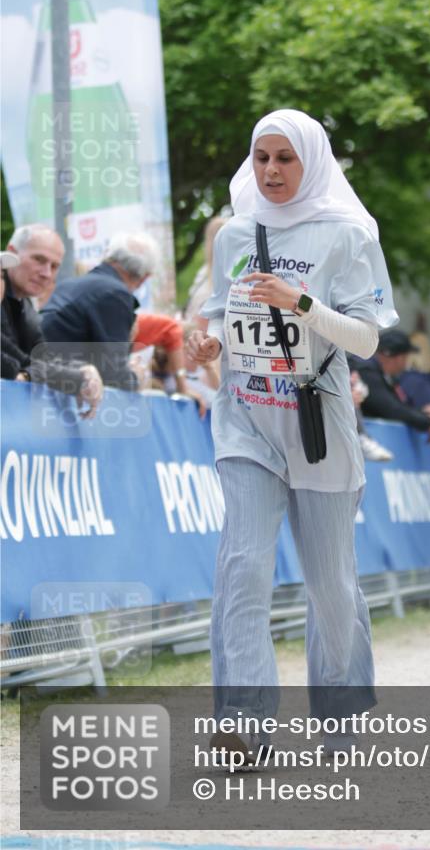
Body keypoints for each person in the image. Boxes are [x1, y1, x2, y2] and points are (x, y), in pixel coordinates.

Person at [186, 109, 398, 762]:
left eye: (286, 158)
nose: (271, 171)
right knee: (243, 565)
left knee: (330, 583)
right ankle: (244, 723)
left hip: (318, 422)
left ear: (311, 160)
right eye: (262, 158)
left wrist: (300, 303)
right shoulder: (233, 234)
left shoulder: (348, 232)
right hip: (247, 418)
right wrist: (206, 340)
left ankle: (339, 721)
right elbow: (222, 316)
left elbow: (366, 339)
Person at [1, 226, 102, 414]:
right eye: (39, 259)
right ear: (12, 252)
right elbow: (14, 363)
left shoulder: (25, 306)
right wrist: (76, 377)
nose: (46, 273)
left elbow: (42, 358)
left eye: (54, 266)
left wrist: (84, 370)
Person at [41, 231, 159, 390]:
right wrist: (136, 376)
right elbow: (113, 376)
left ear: (108, 256)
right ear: (144, 277)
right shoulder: (115, 294)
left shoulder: (68, 285)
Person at [351, 329, 430, 441]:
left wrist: (423, 414)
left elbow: (398, 406)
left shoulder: (380, 374)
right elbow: (392, 409)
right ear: (399, 358)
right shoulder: (365, 370)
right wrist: (428, 421)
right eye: (406, 357)